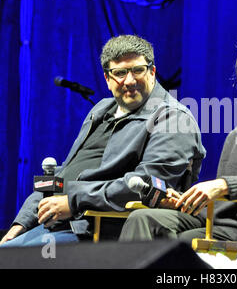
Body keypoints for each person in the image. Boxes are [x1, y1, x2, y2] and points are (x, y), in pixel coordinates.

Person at [119, 32, 237, 269]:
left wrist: (222, 185)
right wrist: (186, 203)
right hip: (214, 223)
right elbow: (220, 206)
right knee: (142, 218)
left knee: (179, 245)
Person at [0, 35, 205, 247]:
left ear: (152, 72)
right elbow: (64, 173)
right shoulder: (100, 110)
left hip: (98, 229)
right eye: (119, 73)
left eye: (137, 70)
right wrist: (22, 222)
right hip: (59, 221)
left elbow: (146, 185)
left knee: (10, 260)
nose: (129, 81)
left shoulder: (173, 118)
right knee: (5, 252)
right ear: (107, 79)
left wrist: (74, 202)